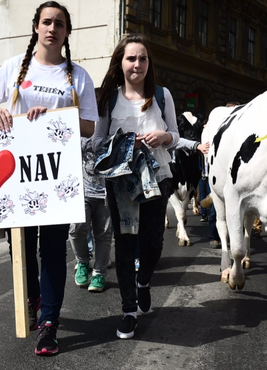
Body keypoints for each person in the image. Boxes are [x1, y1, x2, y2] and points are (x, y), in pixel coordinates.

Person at [0, 1, 98, 356]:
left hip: (57, 175)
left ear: (66, 32)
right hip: (16, 173)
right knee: (21, 246)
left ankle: (49, 323)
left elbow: (89, 127)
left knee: (53, 249)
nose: (52, 28)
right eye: (46, 21)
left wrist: (57, 116)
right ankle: (33, 299)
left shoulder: (77, 76)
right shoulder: (14, 67)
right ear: (36, 27)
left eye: (59, 23)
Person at [92, 34, 179, 340]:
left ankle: (144, 281)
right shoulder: (108, 98)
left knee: (153, 242)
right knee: (126, 245)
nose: (137, 64)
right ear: (121, 62)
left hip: (157, 178)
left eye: (143, 58)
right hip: (121, 183)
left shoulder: (162, 95)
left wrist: (163, 137)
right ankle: (129, 311)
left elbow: (176, 136)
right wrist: (122, 142)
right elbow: (97, 140)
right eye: (131, 58)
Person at [68, 135, 112, 292]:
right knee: (76, 229)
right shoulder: (78, 123)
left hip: (106, 191)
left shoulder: (108, 123)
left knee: (104, 234)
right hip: (81, 192)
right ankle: (82, 262)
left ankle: (99, 273)